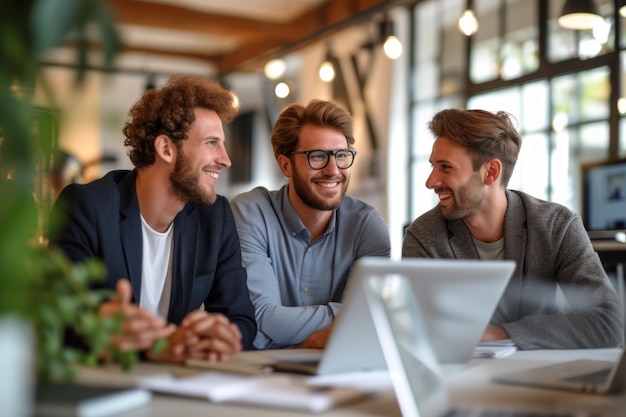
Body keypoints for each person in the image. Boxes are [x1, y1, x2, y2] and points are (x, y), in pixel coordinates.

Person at [49, 75, 256, 363]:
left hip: (174, 384)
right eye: (211, 143)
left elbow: (242, 322)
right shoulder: (88, 207)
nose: (226, 159)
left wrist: (212, 338)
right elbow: (55, 323)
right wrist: (154, 346)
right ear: (166, 148)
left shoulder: (215, 216)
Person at [402, 108, 623, 350]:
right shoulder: (423, 236)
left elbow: (609, 323)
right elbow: (415, 331)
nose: (430, 181)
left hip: (545, 377)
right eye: (433, 166)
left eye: (445, 167)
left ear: (491, 172)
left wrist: (501, 334)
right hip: (460, 379)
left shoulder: (557, 226)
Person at [230, 99, 391, 350]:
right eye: (317, 156)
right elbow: (260, 318)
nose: (333, 170)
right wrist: (345, 318)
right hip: (261, 373)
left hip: (340, 373)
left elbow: (370, 321)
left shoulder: (367, 227)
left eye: (341, 155)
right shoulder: (251, 213)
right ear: (286, 165)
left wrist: (284, 329)